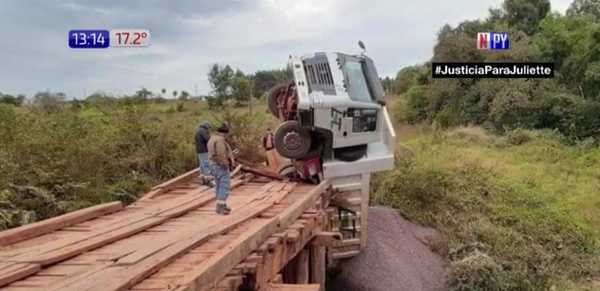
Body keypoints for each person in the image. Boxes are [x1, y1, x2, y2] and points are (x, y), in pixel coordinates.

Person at [207, 123, 235, 215]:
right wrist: (226, 164)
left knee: (218, 185)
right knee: (224, 185)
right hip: (220, 165)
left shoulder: (212, 138)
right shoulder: (220, 140)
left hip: (212, 164)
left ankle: (220, 205)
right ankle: (221, 207)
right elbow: (221, 154)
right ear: (225, 133)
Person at [195, 121, 214, 186]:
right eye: (208, 128)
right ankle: (208, 181)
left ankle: (203, 180)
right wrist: (210, 135)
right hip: (204, 150)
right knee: (206, 165)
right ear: (206, 126)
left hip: (199, 150)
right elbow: (208, 139)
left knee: (202, 166)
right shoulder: (203, 131)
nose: (208, 129)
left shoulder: (198, 130)